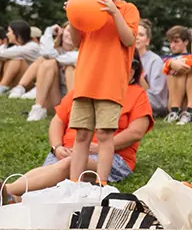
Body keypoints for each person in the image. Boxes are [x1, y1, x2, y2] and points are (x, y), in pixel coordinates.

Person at [1, 51, 153, 200]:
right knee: (53, 170)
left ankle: (7, 190)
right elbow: (58, 120)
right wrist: (57, 147)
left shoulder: (137, 94)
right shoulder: (83, 90)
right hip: (67, 151)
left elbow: (136, 132)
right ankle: (12, 197)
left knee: (70, 164)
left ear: (132, 70)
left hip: (111, 157)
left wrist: (97, 147)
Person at [66, 0, 140, 183]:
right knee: (82, 135)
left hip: (110, 85)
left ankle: (101, 182)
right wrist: (73, 17)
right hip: (85, 83)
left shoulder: (127, 9)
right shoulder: (88, 11)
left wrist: (113, 13)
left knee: (105, 135)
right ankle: (74, 184)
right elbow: (77, 42)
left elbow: (129, 39)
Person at [8, 23, 79, 121]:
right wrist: (49, 30)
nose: (70, 34)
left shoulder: (81, 52)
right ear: (61, 32)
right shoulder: (54, 51)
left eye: (75, 32)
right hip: (54, 99)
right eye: (68, 31)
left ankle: (73, 109)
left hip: (69, 96)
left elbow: (49, 53)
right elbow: (47, 54)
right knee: (47, 62)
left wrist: (51, 54)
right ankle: (38, 108)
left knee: (67, 66)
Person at [135, 19, 168, 117]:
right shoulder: (122, 58)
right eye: (134, 34)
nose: (137, 37)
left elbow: (158, 100)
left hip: (151, 105)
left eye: (141, 35)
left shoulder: (155, 61)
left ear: (147, 41)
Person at [0, 20, 40, 94]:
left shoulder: (32, 47)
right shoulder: (14, 46)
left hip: (29, 81)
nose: (7, 34)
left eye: (9, 31)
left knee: (16, 59)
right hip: (17, 80)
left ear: (17, 33)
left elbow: (3, 53)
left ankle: (2, 86)